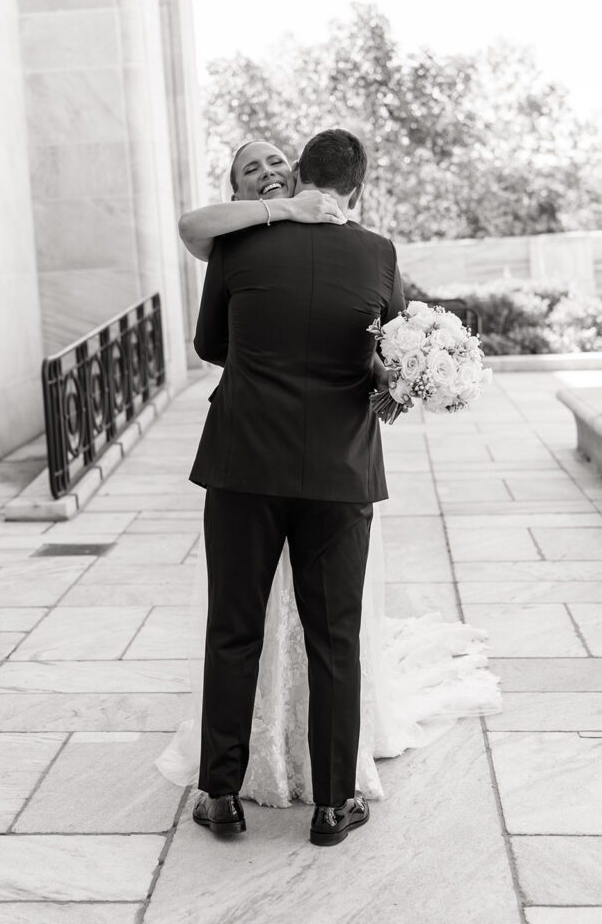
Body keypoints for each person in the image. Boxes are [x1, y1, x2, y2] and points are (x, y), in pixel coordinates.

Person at [155, 131, 503, 845]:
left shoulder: (236, 245)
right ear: (358, 186)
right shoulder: (377, 254)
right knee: (334, 640)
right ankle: (332, 805)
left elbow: (210, 346)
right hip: (338, 472)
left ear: (300, 176)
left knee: (232, 631)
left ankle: (221, 796)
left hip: (243, 463)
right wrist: (390, 386)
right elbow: (396, 353)